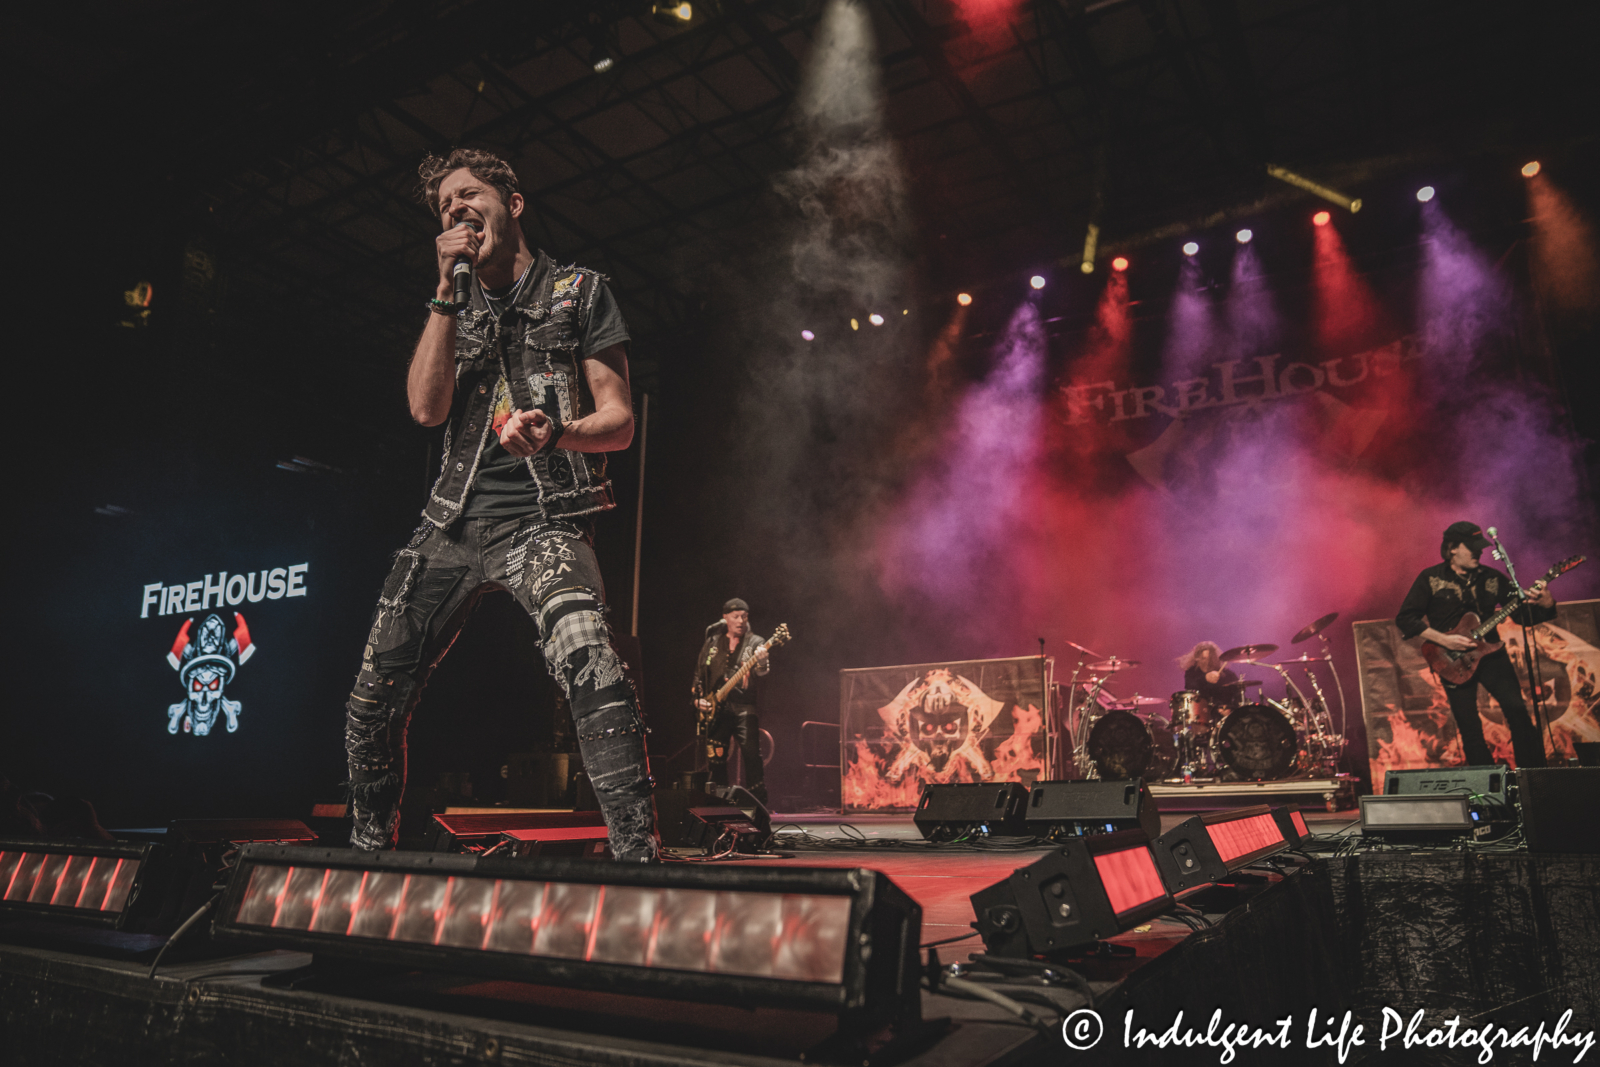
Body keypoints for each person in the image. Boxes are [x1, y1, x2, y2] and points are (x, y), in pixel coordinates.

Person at [343, 148, 656, 860]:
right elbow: (426, 410)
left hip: (542, 520)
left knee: (588, 654)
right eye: (444, 206)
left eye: (467, 195)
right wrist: (443, 293)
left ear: (512, 203)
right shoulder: (450, 305)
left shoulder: (580, 292)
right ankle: (365, 862)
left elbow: (621, 421)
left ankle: (639, 856)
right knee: (371, 695)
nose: (454, 209)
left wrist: (559, 433)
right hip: (449, 525)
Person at [1396, 521, 1555, 768]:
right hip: (1450, 659)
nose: (1478, 552)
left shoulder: (1492, 578)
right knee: (1470, 727)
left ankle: (1533, 779)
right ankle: (1490, 790)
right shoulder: (1430, 578)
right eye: (1471, 547)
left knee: (1518, 713)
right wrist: (1444, 639)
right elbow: (1406, 618)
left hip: (1491, 654)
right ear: (1451, 549)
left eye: (1479, 547)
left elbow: (1523, 618)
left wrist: (1546, 603)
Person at [693, 599, 771, 803]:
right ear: (725, 617)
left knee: (752, 757)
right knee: (715, 760)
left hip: (744, 708)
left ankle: (757, 806)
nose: (740, 621)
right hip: (715, 710)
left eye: (744, 616)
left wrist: (762, 661)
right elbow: (699, 674)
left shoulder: (755, 642)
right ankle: (721, 805)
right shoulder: (712, 642)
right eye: (736, 616)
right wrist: (697, 700)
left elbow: (761, 672)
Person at [1176, 641, 1241, 707]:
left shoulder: (1226, 674)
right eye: (1204, 659)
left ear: (1215, 659)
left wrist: (1229, 707)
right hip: (1199, 711)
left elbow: (1237, 691)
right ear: (1197, 659)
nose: (1207, 662)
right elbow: (1189, 686)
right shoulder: (1191, 672)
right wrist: (1205, 678)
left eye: (1210, 659)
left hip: (1221, 713)